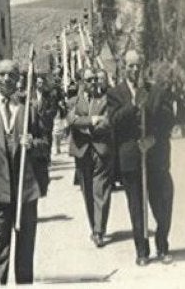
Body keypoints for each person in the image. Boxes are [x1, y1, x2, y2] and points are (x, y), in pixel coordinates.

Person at [0, 59, 50, 284]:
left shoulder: (28, 110)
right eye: (2, 74)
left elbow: (46, 145)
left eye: (12, 75)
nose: (7, 79)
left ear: (19, 79)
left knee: (25, 253)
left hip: (25, 191)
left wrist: (32, 143)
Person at [107, 50, 175, 266]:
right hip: (131, 159)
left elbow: (169, 120)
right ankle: (142, 250)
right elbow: (114, 121)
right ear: (124, 67)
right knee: (136, 207)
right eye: (130, 66)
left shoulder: (156, 90)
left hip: (154, 157)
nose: (134, 70)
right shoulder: (115, 93)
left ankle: (163, 245)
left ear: (143, 67)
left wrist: (154, 137)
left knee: (162, 204)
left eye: (137, 65)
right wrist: (134, 105)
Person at [67, 67, 113, 247]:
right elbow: (72, 121)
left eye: (95, 79)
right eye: (88, 80)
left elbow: (108, 122)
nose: (93, 83)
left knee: (100, 190)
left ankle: (99, 231)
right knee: (87, 192)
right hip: (82, 151)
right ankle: (94, 225)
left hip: (101, 150)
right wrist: (93, 120)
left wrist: (85, 124)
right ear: (81, 83)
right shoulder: (73, 102)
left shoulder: (107, 99)